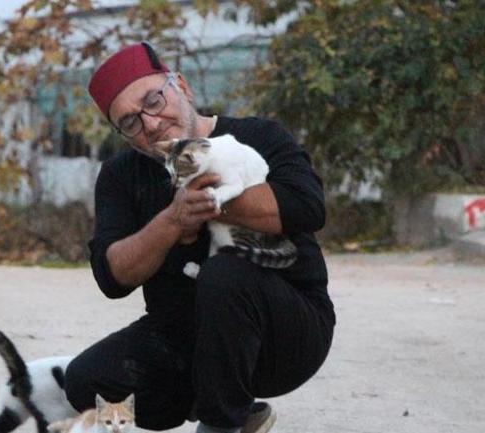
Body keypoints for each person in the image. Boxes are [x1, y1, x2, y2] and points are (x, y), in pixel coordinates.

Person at [63, 42, 335, 433]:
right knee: (86, 381)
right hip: (186, 338)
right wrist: (171, 222)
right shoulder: (121, 175)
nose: (151, 124)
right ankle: (233, 407)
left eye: (154, 100)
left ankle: (220, 423)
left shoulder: (257, 135)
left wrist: (212, 202)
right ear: (122, 135)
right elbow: (112, 276)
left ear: (182, 87)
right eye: (130, 122)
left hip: (286, 330)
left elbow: (307, 207)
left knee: (224, 273)